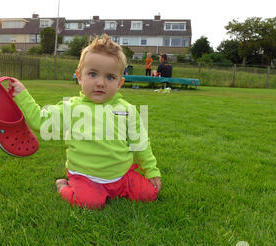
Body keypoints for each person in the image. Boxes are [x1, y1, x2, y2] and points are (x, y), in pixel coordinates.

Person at [10, 34, 162, 209]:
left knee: (150, 194)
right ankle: (63, 186)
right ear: (79, 77)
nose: (100, 83)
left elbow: (141, 144)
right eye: (92, 74)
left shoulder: (127, 110)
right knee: (91, 203)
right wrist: (22, 95)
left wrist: (152, 171)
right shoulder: (72, 108)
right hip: (86, 177)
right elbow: (40, 121)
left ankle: (116, 189)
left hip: (122, 176)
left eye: (110, 77)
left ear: (120, 83)